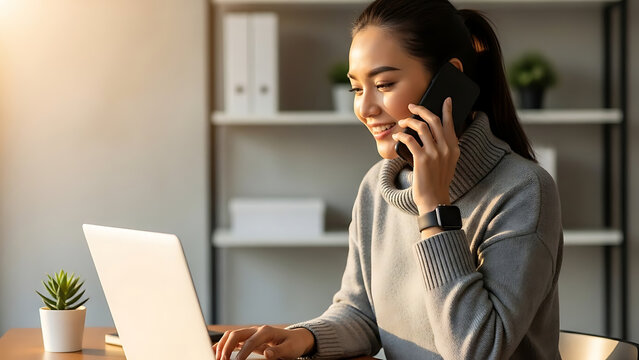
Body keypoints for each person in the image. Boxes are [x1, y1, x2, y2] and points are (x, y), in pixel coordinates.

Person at [214, 0, 563, 358]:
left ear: (449, 82)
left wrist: (434, 208)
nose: (365, 109)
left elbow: (477, 351)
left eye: (384, 84)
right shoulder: (377, 189)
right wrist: (305, 337)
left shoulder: (523, 191)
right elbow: (362, 313)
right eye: (357, 89)